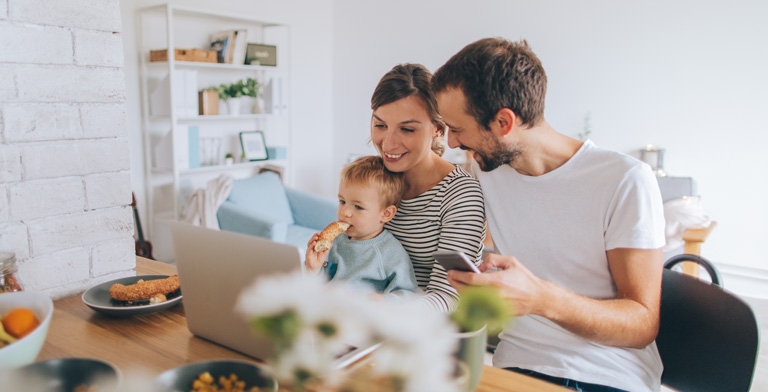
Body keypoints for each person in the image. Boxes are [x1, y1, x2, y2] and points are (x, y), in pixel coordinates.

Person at [433, 38, 665, 392]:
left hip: (604, 374)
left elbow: (642, 324)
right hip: (514, 369)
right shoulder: (486, 172)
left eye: (458, 129)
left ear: (503, 122)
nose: (451, 142)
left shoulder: (623, 179)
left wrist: (541, 298)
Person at [369, 63, 487, 312]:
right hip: (363, 322)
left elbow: (448, 297)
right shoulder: (372, 178)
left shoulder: (460, 194)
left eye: (407, 129)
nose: (388, 144)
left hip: (423, 333)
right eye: (380, 125)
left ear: (437, 129)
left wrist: (383, 308)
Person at [305, 155, 420, 301]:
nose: (345, 212)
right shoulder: (335, 242)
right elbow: (315, 286)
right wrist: (313, 269)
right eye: (342, 201)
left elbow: (409, 294)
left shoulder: (389, 252)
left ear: (386, 214)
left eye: (358, 207)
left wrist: (384, 301)